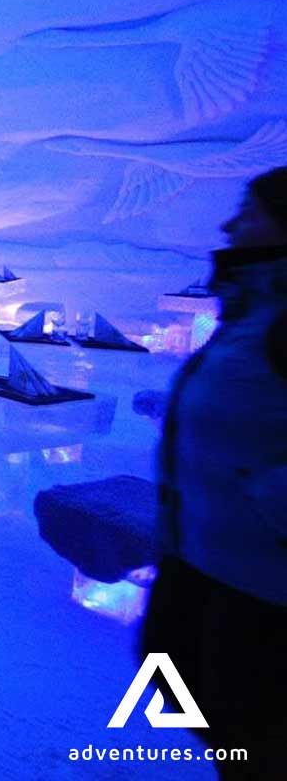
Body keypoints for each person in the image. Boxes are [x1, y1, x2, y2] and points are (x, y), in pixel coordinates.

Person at [142, 167, 287, 776]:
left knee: (248, 723)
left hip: (262, 574)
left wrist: (269, 502)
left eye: (249, 211)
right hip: (201, 550)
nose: (230, 224)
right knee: (178, 673)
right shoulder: (255, 306)